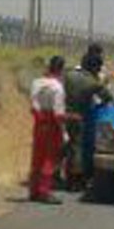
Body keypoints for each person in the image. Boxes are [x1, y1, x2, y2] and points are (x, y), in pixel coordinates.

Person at [64, 52, 113, 190]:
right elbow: (107, 98)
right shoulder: (92, 82)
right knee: (78, 147)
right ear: (95, 68)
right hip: (79, 117)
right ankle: (76, 181)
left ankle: (57, 176)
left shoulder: (68, 75)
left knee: (64, 146)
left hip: (61, 115)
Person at [29, 55, 69, 205]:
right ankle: (45, 192)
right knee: (50, 159)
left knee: (37, 157)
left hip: (39, 123)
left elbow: (33, 105)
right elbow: (58, 113)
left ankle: (34, 190)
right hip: (52, 124)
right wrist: (64, 131)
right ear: (61, 69)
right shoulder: (57, 87)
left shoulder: (36, 83)